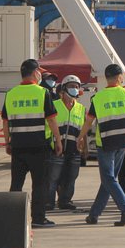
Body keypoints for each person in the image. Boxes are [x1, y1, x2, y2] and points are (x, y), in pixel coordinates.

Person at [77, 64, 125, 226]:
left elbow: (89, 121)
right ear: (119, 77)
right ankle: (94, 214)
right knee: (110, 179)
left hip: (105, 142)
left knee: (108, 179)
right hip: (123, 141)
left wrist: (80, 137)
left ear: (106, 78)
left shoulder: (98, 98)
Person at [2, 59, 62, 228]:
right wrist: (58, 141)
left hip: (18, 146)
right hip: (39, 147)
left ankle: (12, 218)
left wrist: (8, 142)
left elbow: (5, 122)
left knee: (16, 184)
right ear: (35, 73)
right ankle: (38, 218)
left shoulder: (11, 94)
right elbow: (51, 121)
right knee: (40, 184)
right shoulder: (43, 93)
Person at [46, 75, 87, 210]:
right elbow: (48, 125)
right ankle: (49, 202)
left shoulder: (81, 108)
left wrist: (84, 147)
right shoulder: (54, 105)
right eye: (71, 86)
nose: (74, 89)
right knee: (53, 178)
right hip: (57, 149)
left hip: (74, 149)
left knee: (71, 177)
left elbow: (83, 129)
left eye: (76, 87)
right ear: (63, 89)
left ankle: (65, 201)